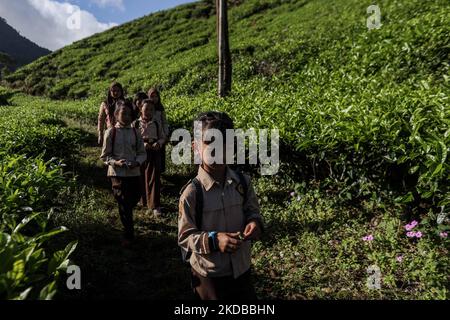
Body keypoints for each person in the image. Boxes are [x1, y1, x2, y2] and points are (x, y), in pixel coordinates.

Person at [178, 111, 264, 300]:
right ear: (196, 148)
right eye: (210, 142)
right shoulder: (192, 193)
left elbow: (252, 211)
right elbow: (185, 237)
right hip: (209, 275)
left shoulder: (243, 182)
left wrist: (254, 222)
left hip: (241, 270)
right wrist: (215, 240)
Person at [100, 100, 146, 246]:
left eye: (128, 114)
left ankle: (128, 222)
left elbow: (142, 153)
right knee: (124, 203)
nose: (126, 116)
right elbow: (105, 156)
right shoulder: (110, 132)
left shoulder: (135, 132)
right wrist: (116, 162)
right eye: (123, 113)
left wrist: (137, 162)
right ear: (116, 115)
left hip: (134, 172)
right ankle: (128, 234)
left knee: (134, 198)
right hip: (117, 174)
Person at [134, 99, 166, 218]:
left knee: (154, 177)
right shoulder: (135, 124)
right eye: (146, 109)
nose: (148, 111)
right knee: (140, 176)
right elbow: (133, 140)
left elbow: (162, 137)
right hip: (140, 152)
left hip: (154, 151)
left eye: (151, 109)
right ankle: (143, 201)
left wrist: (159, 143)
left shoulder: (156, 123)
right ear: (140, 109)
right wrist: (143, 144)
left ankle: (154, 205)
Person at [147, 88, 169, 172]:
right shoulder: (146, 107)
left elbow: (164, 122)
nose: (154, 98)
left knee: (160, 153)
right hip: (149, 133)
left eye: (156, 96)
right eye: (152, 96)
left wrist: (166, 133)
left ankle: (160, 171)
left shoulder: (160, 108)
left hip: (160, 134)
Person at [98, 82, 126, 146]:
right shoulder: (105, 104)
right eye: (113, 91)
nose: (116, 93)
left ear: (121, 91)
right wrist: (100, 134)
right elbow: (101, 119)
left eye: (118, 91)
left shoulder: (125, 103)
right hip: (110, 131)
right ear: (110, 92)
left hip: (123, 132)